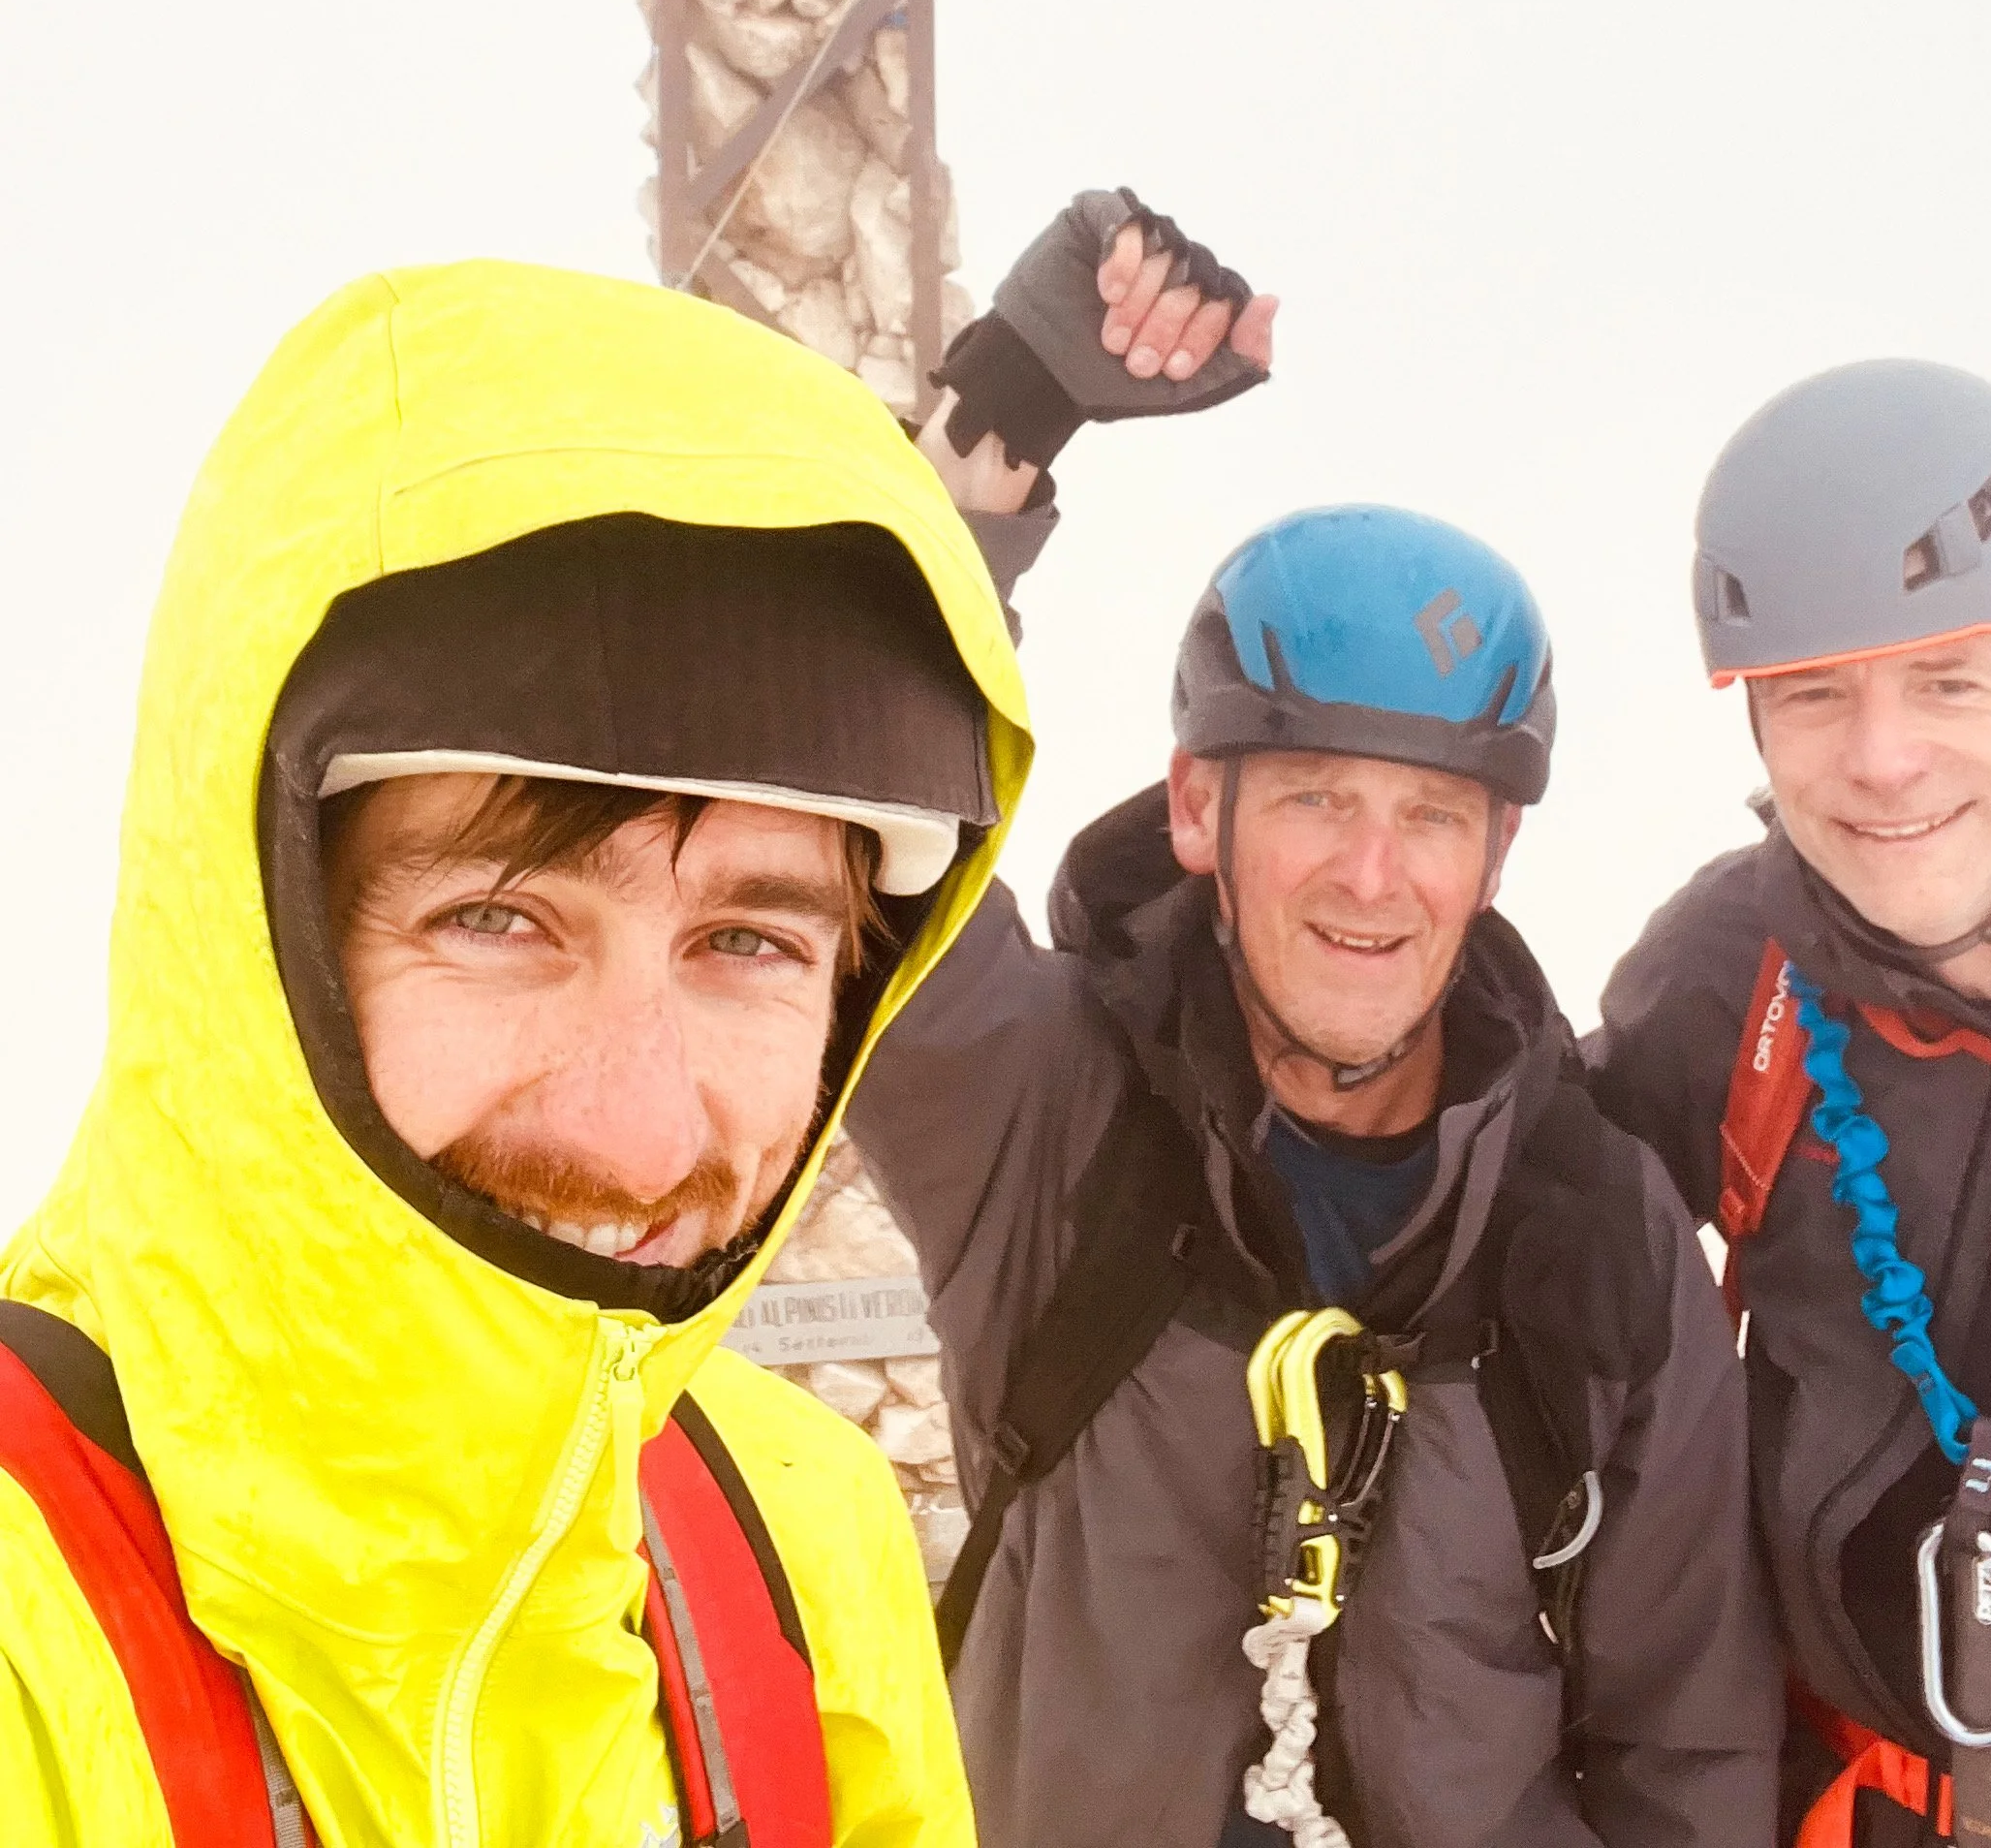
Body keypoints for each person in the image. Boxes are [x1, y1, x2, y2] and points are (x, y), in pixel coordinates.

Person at [0, 257, 1032, 1848]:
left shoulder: (803, 1556)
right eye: (498, 919)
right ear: (253, 937)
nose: (639, 1136)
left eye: (748, 944)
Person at [851, 189, 1781, 1848]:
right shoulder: (1051, 1117)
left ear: (1499, 853)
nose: (1373, 873)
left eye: (1433, 816)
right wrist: (993, 436)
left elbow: (1687, 1747)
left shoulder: (1592, 1233)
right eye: (1316, 799)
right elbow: (867, 833)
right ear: (1198, 810)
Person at [1593, 359, 1991, 1846]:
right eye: (1816, 696)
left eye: (1945, 678)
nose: (1882, 761)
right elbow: (1503, 1255)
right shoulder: (1732, 984)